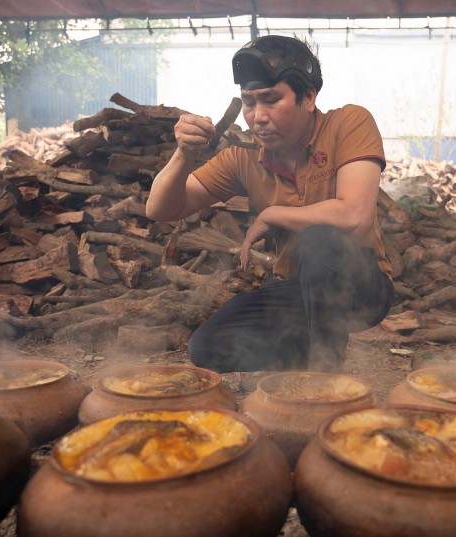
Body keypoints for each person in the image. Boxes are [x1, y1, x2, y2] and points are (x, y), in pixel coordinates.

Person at [146, 35, 394, 373]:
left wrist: (274, 213)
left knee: (319, 240)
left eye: (271, 99)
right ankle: (301, 363)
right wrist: (183, 155)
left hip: (361, 286)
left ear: (308, 97)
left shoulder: (347, 124)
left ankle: (326, 381)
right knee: (208, 346)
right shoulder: (243, 157)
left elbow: (354, 216)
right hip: (296, 291)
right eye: (249, 102)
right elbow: (160, 210)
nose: (257, 116)